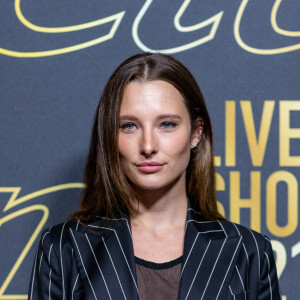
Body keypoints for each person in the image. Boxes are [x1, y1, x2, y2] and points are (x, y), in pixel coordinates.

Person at [28, 53, 281, 299]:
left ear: (196, 133)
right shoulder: (65, 248)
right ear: (110, 136)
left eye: (167, 124)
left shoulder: (249, 253)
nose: (148, 146)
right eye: (129, 126)